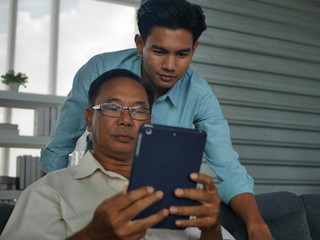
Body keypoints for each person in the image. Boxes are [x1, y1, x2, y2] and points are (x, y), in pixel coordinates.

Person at [40, 0, 274, 239]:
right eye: (159, 51)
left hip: (165, 201)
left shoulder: (200, 95)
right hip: (98, 191)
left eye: (182, 54)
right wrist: (46, 203)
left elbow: (228, 167)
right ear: (140, 45)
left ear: (194, 49)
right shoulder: (99, 69)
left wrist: (257, 226)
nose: (170, 66)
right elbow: (60, 146)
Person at [1, 69, 235, 240]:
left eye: (138, 111)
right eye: (112, 108)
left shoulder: (180, 190)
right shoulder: (49, 191)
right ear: (90, 120)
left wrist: (212, 229)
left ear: (148, 123)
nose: (126, 120)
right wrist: (92, 236)